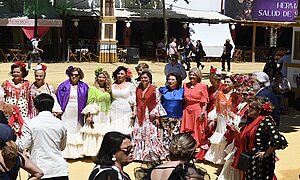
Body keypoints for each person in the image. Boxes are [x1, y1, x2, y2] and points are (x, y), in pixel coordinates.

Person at [233, 98, 288, 180]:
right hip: (250, 158)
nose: (249, 109)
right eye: (249, 106)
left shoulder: (266, 121)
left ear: (259, 110)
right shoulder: (253, 121)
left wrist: (267, 153)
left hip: (261, 161)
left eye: (252, 107)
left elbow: (277, 139)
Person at [18, 93, 68, 179]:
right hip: (59, 170)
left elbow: (23, 146)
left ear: (36, 107)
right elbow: (62, 147)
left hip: (39, 169)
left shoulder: (30, 123)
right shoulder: (61, 124)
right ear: (52, 106)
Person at [132, 70, 167, 161]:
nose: (143, 79)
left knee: (150, 134)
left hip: (150, 114)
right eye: (142, 78)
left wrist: (157, 117)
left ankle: (152, 153)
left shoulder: (154, 89)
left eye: (146, 78)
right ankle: (139, 154)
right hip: (140, 114)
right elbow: (135, 101)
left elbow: (157, 103)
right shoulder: (137, 88)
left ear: (150, 79)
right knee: (140, 132)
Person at [204, 74, 239, 165]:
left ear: (233, 83)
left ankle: (224, 157)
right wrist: (212, 119)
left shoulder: (236, 95)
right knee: (220, 135)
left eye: (228, 82)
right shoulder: (220, 93)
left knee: (228, 136)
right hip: (221, 118)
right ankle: (216, 158)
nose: (226, 83)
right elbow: (216, 107)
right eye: (225, 81)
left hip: (231, 118)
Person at [57, 66, 89, 159]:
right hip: (67, 110)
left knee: (77, 129)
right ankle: (65, 153)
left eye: (76, 75)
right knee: (67, 129)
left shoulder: (84, 86)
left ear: (80, 76)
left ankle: (78, 152)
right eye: (72, 75)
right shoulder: (63, 86)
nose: (74, 77)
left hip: (78, 111)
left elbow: (87, 99)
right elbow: (59, 98)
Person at [81, 68, 112, 156]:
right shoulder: (93, 89)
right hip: (96, 113)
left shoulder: (108, 90)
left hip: (105, 113)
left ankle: (103, 151)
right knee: (95, 131)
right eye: (100, 77)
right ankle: (93, 152)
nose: (101, 79)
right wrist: (89, 116)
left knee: (104, 131)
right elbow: (90, 103)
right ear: (96, 78)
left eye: (103, 77)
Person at [180, 68, 208, 147]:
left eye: (194, 75)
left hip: (197, 110)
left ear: (198, 76)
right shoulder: (185, 85)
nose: (191, 76)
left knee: (197, 130)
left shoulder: (203, 86)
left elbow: (204, 101)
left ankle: (196, 147)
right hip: (187, 110)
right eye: (190, 75)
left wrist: (202, 112)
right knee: (186, 129)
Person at [1, 62, 30, 137]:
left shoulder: (27, 84)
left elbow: (28, 98)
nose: (15, 74)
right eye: (14, 72)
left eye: (18, 72)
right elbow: (2, 97)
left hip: (22, 111)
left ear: (22, 73)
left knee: (23, 129)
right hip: (8, 112)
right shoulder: (6, 83)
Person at [159, 73, 184, 149]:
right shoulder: (162, 90)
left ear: (177, 81)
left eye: (173, 79)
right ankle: (166, 152)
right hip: (165, 117)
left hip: (177, 117)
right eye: (169, 79)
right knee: (166, 136)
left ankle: (175, 152)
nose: (170, 81)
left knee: (176, 136)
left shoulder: (182, 91)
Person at [110, 66, 136, 135]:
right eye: (118, 74)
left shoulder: (130, 85)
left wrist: (134, 111)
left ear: (126, 75)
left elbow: (134, 99)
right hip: (114, 110)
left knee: (125, 129)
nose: (120, 75)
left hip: (126, 110)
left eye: (122, 74)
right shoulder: (112, 86)